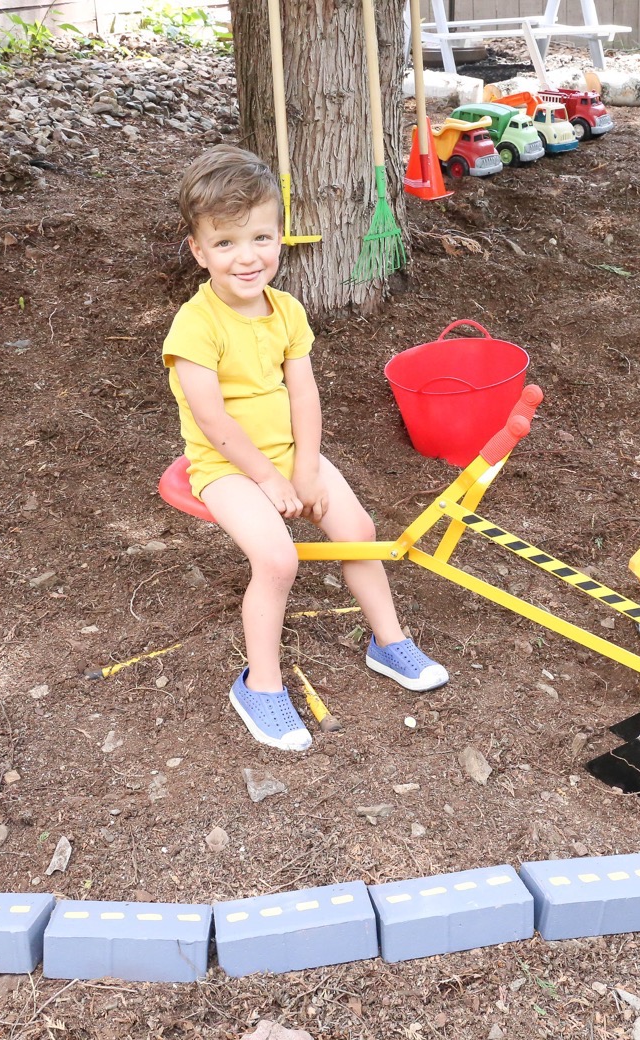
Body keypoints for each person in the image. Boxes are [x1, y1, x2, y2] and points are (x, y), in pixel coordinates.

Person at [162, 145, 448, 752]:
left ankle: (388, 641)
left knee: (358, 529)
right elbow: (213, 423)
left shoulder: (286, 310)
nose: (247, 257)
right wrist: (269, 479)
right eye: (226, 243)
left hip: (290, 456)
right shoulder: (196, 325)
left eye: (261, 238)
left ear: (281, 235)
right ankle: (259, 687)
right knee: (278, 561)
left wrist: (308, 467)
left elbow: (304, 394)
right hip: (227, 468)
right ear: (198, 250)